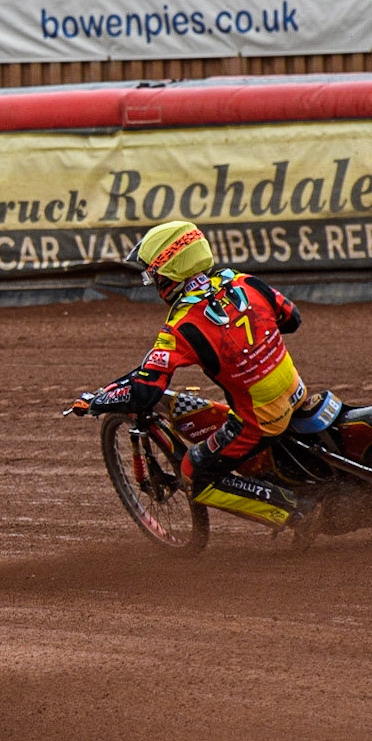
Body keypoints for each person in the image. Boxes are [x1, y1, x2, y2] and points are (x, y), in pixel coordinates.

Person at [70, 220, 316, 531]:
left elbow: (146, 389)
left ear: (170, 272)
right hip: (296, 390)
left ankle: (296, 512)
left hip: (261, 419)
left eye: (153, 275)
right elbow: (292, 319)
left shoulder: (184, 324)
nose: (155, 283)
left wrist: (100, 400)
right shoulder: (243, 281)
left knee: (194, 474)